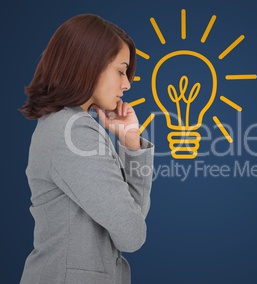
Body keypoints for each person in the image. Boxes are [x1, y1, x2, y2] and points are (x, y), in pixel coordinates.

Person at [18, 13, 154, 284]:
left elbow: (131, 220)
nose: (127, 84)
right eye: (120, 70)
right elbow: (132, 234)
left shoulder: (65, 126)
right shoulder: (73, 133)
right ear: (88, 65)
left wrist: (130, 142)